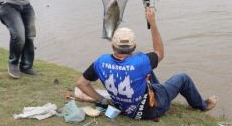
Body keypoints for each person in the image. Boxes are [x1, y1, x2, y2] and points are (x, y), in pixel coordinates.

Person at [76, 7, 217, 120]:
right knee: (183, 77)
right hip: (153, 109)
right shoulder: (140, 63)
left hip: (126, 110)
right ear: (134, 46)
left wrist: (102, 100)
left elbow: (81, 83)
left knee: (141, 62)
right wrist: (152, 22)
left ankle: (159, 89)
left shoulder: (101, 62)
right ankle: (203, 106)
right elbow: (160, 53)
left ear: (113, 47)